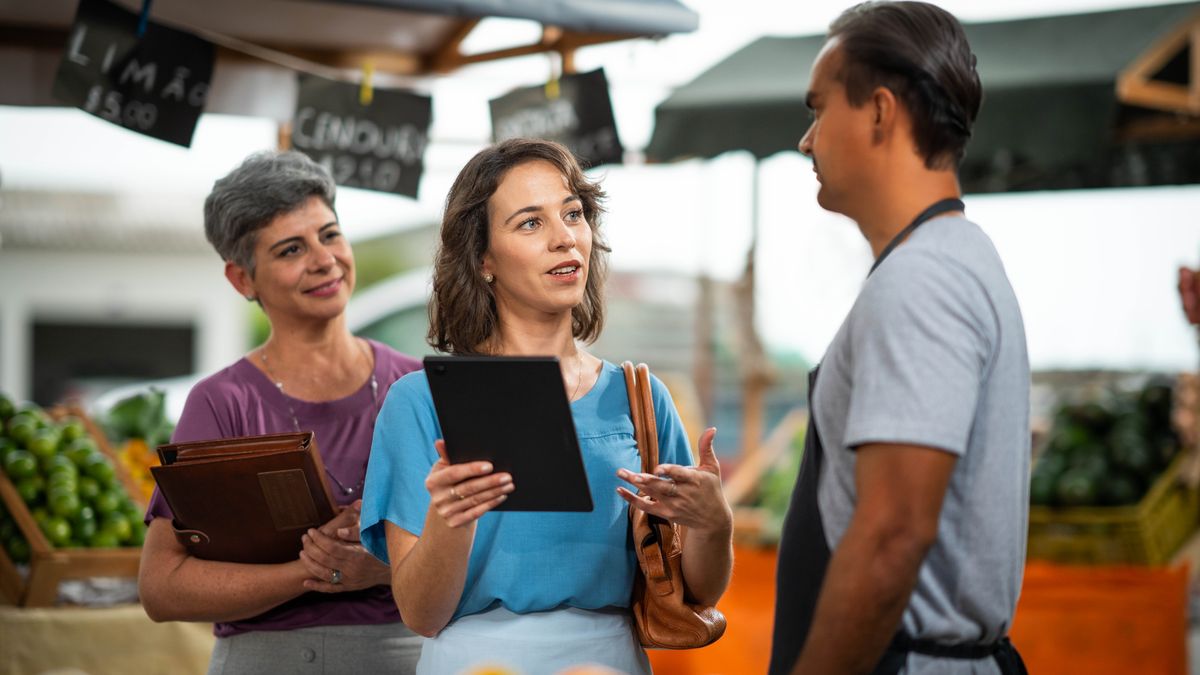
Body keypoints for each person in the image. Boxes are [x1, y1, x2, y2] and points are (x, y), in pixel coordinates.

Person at [359, 138, 734, 674]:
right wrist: (452, 519)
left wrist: (714, 523)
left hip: (610, 663)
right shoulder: (420, 402)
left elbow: (699, 590)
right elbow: (420, 613)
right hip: (472, 663)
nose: (564, 239)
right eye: (531, 223)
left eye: (573, 214)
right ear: (483, 258)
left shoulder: (640, 398)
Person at [769, 3, 1030, 674]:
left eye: (819, 109)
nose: (807, 140)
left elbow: (891, 535)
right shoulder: (952, 256)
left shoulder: (923, 278)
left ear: (880, 112)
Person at [138, 151, 423, 674]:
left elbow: (482, 546)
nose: (324, 259)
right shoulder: (221, 403)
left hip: (405, 657)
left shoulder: (419, 387)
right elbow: (162, 587)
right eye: (292, 249)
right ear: (242, 280)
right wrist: (313, 571)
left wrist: (382, 566)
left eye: (330, 234)